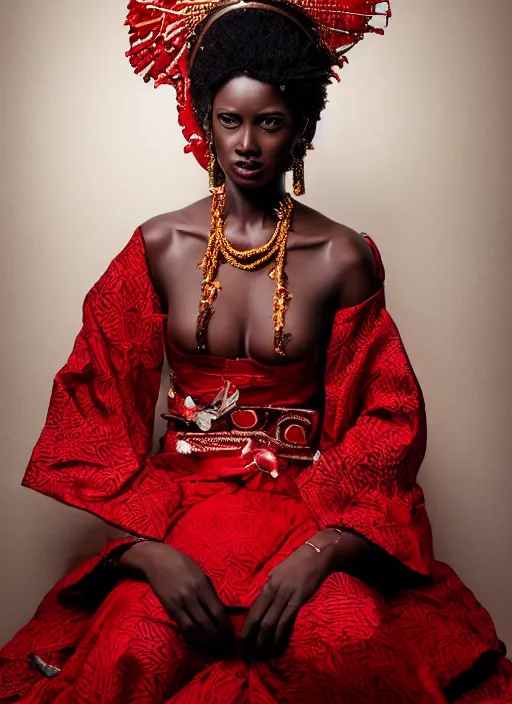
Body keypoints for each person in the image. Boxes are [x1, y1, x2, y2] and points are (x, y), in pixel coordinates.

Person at [0, 0, 510, 702]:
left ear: (300, 127)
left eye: (268, 122)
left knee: (350, 643)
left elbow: (386, 421)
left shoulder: (341, 256)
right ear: (203, 120)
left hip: (306, 515)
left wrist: (322, 554)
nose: (246, 143)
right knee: (132, 649)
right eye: (229, 120)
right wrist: (146, 555)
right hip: (178, 518)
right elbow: (87, 410)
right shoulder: (156, 247)